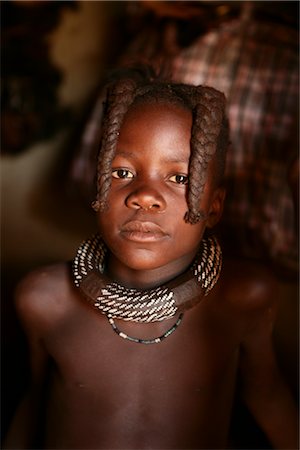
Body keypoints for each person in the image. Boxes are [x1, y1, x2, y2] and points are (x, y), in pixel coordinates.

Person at [4, 69, 298, 449]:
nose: (144, 195)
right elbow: (34, 403)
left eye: (178, 179)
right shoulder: (44, 301)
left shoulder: (242, 298)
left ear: (214, 206)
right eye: (122, 172)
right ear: (97, 187)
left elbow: (267, 396)